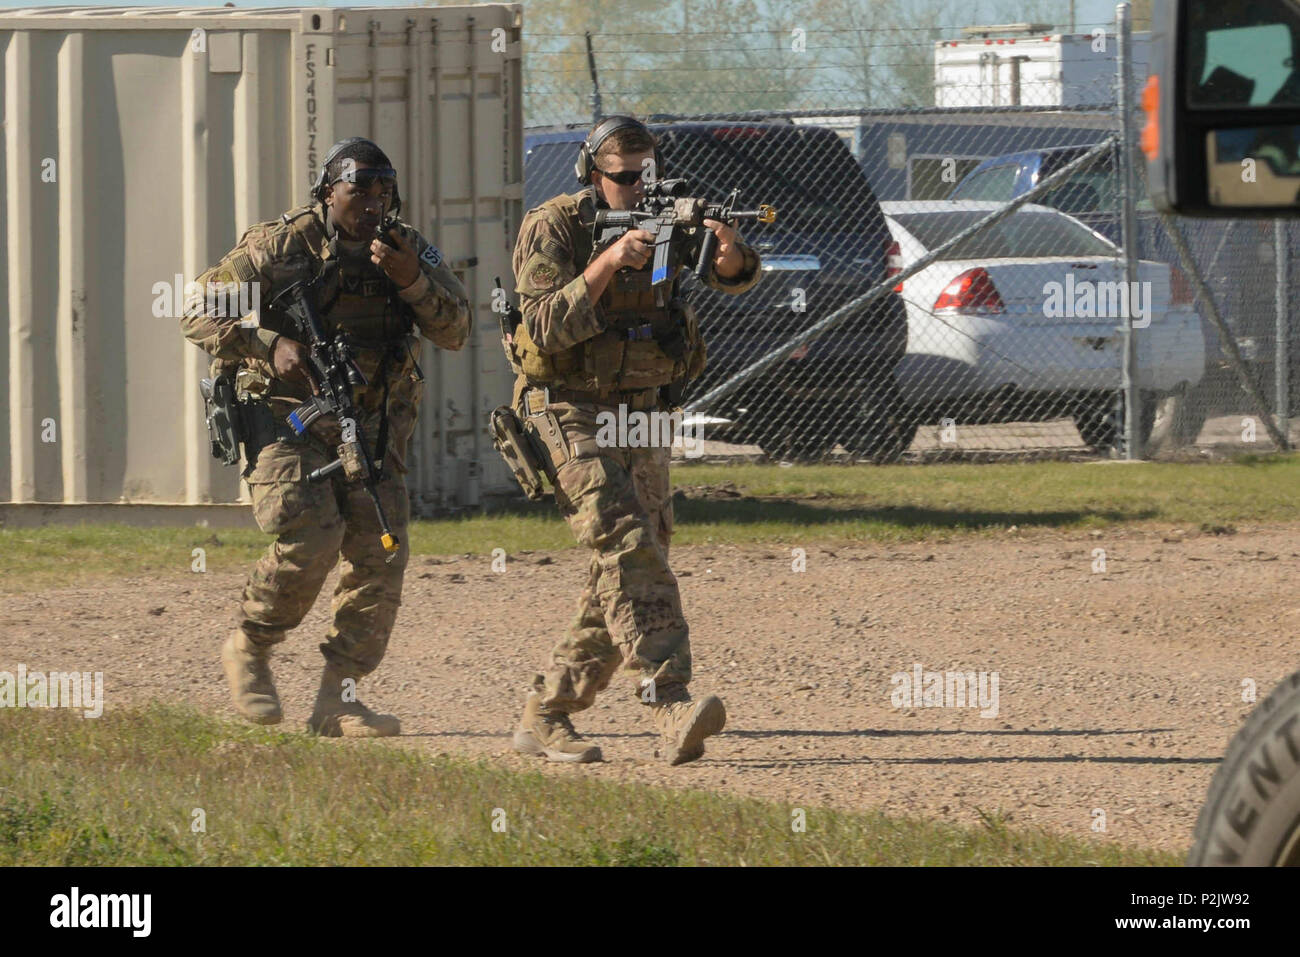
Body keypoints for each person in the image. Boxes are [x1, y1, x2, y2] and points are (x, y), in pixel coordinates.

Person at [181, 137, 471, 736]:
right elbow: (194, 308)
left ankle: (338, 699)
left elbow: (456, 329)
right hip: (289, 417)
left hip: (371, 428)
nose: (371, 203)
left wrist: (413, 280)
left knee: (381, 553)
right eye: (357, 190)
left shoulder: (405, 248)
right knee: (313, 534)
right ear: (327, 192)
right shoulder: (280, 245)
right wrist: (268, 343)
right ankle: (251, 644)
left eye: (382, 191)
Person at [502, 116, 762, 764]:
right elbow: (541, 323)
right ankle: (669, 699)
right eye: (625, 179)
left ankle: (548, 709)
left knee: (631, 561)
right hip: (565, 407)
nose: (639, 189)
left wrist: (732, 258)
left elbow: (734, 275)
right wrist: (610, 261)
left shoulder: (671, 217)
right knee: (623, 540)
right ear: (595, 175)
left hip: (640, 410)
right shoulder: (554, 224)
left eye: (647, 175)